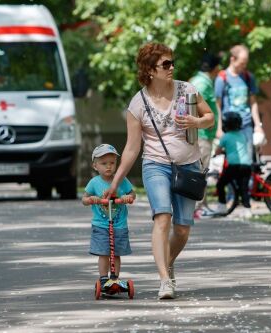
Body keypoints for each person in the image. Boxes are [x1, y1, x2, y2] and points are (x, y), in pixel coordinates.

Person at [103, 42, 214, 299]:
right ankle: (165, 280)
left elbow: (210, 117)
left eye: (172, 62)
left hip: (188, 165)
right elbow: (131, 149)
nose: (172, 67)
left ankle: (168, 261)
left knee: (183, 228)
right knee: (162, 217)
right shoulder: (138, 103)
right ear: (150, 70)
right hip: (155, 165)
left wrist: (196, 121)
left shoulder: (187, 90)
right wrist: (115, 183)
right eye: (166, 64)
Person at [82, 144, 136, 289]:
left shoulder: (121, 180)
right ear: (95, 166)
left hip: (119, 225)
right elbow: (84, 199)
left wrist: (127, 197)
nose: (108, 167)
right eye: (104, 163)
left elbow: (132, 194)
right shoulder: (94, 182)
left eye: (112, 163)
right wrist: (91, 199)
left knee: (116, 253)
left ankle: (115, 279)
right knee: (104, 253)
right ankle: (104, 278)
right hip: (101, 225)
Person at [215, 44, 263, 157]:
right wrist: (218, 128)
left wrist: (258, 125)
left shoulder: (248, 77)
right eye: (242, 63)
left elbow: (253, 102)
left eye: (246, 62)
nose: (244, 66)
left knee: (248, 160)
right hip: (230, 127)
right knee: (233, 161)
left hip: (246, 125)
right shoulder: (222, 78)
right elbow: (217, 105)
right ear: (232, 59)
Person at [189, 53, 221, 218]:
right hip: (201, 133)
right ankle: (197, 207)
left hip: (203, 133)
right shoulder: (201, 83)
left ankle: (201, 205)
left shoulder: (202, 81)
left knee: (202, 170)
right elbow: (191, 106)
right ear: (215, 68)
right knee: (200, 171)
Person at [215, 112, 253, 218]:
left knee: (221, 184)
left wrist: (217, 153)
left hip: (234, 165)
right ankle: (247, 210)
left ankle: (222, 206)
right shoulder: (242, 135)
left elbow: (218, 151)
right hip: (246, 165)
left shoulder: (225, 137)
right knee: (243, 188)